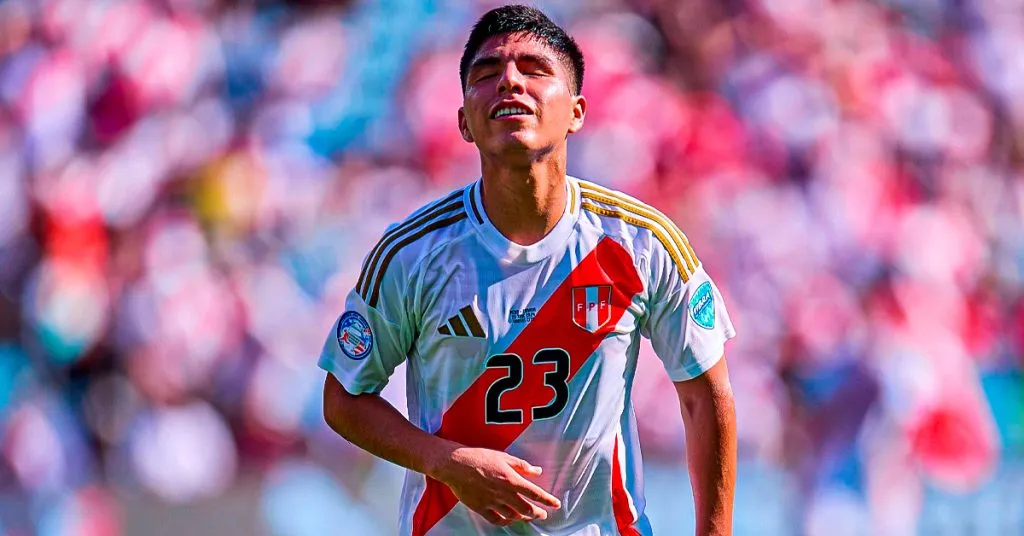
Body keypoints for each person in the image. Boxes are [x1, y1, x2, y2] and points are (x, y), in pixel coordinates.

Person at [319, 4, 737, 535]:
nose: (510, 83)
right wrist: (444, 461)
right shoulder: (412, 254)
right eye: (487, 75)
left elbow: (705, 393)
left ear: (578, 111)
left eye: (535, 70)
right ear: (464, 123)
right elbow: (344, 396)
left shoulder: (642, 243)